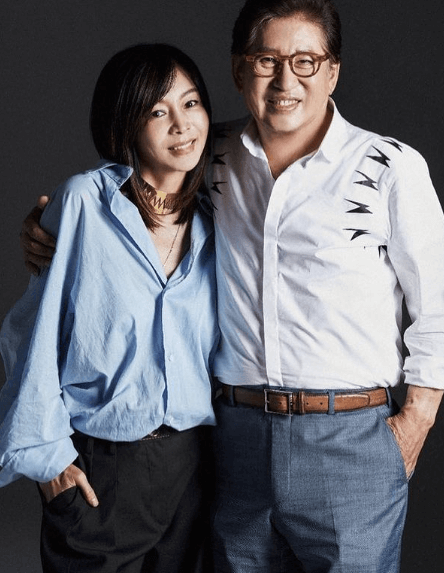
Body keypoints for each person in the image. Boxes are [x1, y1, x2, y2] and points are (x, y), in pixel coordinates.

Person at [19, 1, 444, 572]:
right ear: (240, 70)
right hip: (234, 443)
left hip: (350, 441)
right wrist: (47, 227)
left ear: (333, 71)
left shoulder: (390, 167)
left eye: (306, 61)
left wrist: (416, 421)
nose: (286, 80)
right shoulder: (212, 158)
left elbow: (437, 307)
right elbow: (131, 191)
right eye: (267, 60)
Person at [0, 43, 218, 573]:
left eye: (191, 103)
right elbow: (30, 334)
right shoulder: (82, 202)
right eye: (157, 112)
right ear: (126, 125)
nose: (182, 125)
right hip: (104, 466)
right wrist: (49, 459)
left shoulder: (217, 218)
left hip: (195, 466)